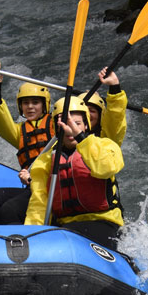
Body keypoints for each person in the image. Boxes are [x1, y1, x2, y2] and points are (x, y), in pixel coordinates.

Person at [24, 95, 124, 251]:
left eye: (77, 124)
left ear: (86, 125)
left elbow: (105, 168)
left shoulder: (105, 145)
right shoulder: (45, 161)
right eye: (65, 124)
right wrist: (33, 235)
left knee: (72, 235)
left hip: (103, 222)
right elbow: (39, 204)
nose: (70, 129)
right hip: (66, 224)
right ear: (56, 128)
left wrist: (81, 137)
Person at [0, 62, 56, 225]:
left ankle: (18, 242)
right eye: (26, 103)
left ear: (44, 104)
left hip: (50, 189)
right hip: (30, 188)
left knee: (10, 208)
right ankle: (0, 236)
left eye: (35, 102)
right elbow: (1, 123)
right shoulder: (20, 132)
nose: (30, 107)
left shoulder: (57, 126)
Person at [79, 67, 128, 145]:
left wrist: (114, 87)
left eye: (92, 111)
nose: (87, 114)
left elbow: (114, 117)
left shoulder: (107, 139)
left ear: (99, 117)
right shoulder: (63, 134)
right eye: (84, 110)